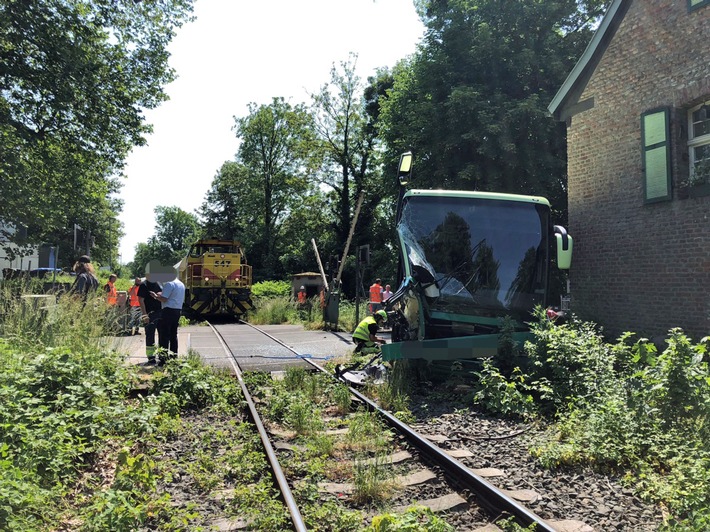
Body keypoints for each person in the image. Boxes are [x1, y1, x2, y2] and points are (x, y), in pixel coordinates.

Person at [150, 272, 185, 364]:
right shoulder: (181, 284)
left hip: (168, 311)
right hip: (177, 310)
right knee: (173, 335)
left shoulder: (169, 284)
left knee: (164, 335)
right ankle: (173, 357)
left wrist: (155, 296)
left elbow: (164, 299)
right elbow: (172, 295)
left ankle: (163, 359)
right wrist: (162, 294)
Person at [138, 272, 163, 364]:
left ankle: (162, 355)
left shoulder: (158, 283)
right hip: (150, 314)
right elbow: (141, 300)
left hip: (160, 313)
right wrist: (145, 315)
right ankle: (151, 357)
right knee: (150, 336)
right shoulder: (144, 285)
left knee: (162, 335)